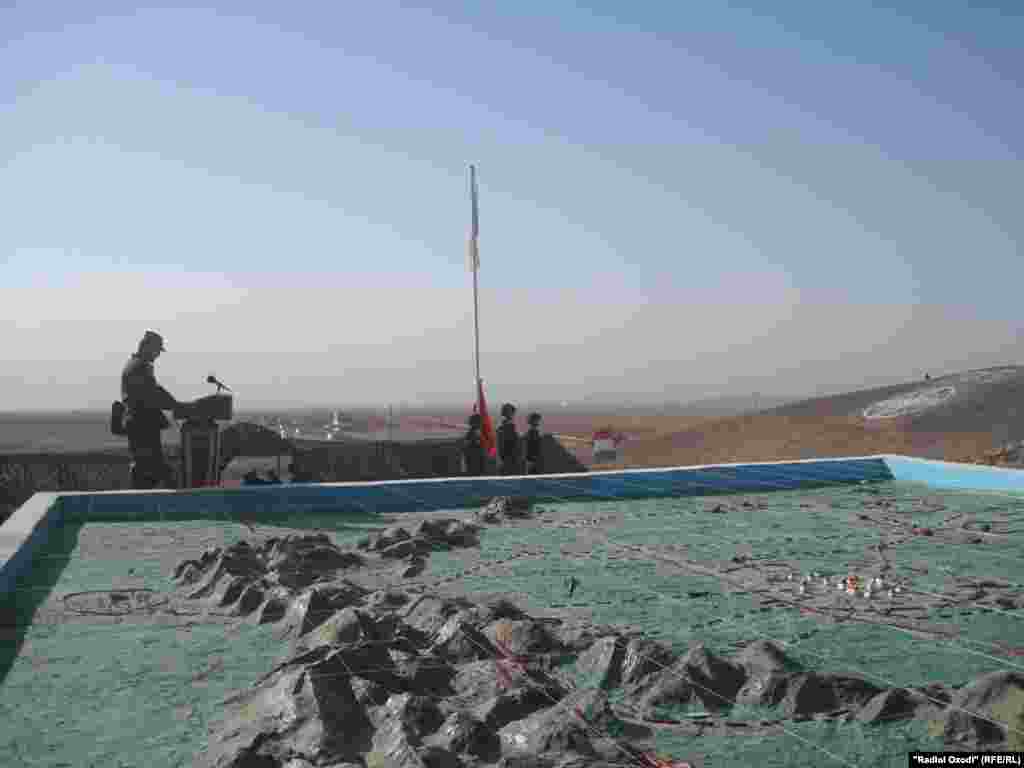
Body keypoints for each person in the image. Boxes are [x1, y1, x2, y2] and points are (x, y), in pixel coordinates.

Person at [121, 330, 183, 489]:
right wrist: (177, 406)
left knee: (149, 469)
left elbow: (155, 391)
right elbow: (153, 393)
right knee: (151, 468)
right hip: (142, 426)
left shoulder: (136, 365)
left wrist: (174, 404)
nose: (158, 355)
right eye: (157, 350)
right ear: (147, 347)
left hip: (140, 424)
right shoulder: (139, 366)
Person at [497, 403, 522, 475]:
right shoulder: (509, 426)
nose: (513, 415)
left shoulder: (502, 426)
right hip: (509, 457)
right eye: (512, 413)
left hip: (508, 457)